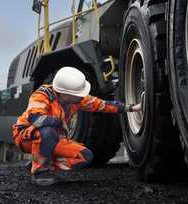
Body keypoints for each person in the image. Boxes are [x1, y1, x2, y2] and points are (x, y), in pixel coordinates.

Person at [12, 66, 141, 186]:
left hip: (52, 138)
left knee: (85, 156)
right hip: (25, 136)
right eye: (79, 94)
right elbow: (35, 119)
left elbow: (102, 104)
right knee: (46, 131)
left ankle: (40, 163)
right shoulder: (42, 95)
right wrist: (59, 122)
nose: (83, 96)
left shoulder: (75, 99)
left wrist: (130, 108)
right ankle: (40, 173)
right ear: (65, 94)